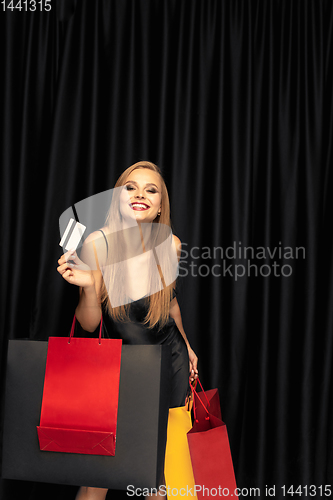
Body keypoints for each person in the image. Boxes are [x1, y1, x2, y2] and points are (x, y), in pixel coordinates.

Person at [57, 161, 198, 500]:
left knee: (158, 469)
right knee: (101, 470)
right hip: (121, 368)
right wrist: (90, 286)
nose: (140, 195)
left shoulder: (172, 245)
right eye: (131, 188)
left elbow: (170, 305)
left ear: (160, 205)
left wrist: (189, 348)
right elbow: (90, 324)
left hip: (169, 362)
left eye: (151, 190)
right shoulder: (97, 243)